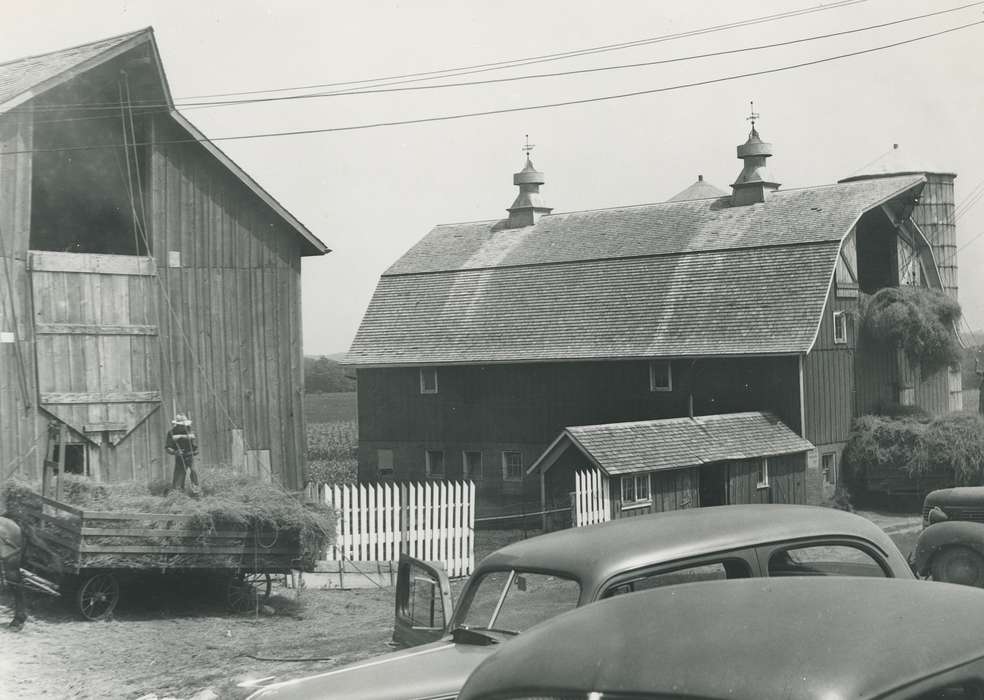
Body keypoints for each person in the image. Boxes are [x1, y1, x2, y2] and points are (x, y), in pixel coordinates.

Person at [165, 414, 199, 493]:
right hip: (180, 457)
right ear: (177, 425)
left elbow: (195, 444)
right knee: (179, 477)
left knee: (194, 471)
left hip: (191, 455)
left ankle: (196, 491)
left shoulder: (190, 431)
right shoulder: (171, 433)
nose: (184, 427)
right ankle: (178, 493)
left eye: (185, 425)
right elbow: (167, 447)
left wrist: (195, 450)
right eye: (181, 425)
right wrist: (175, 452)